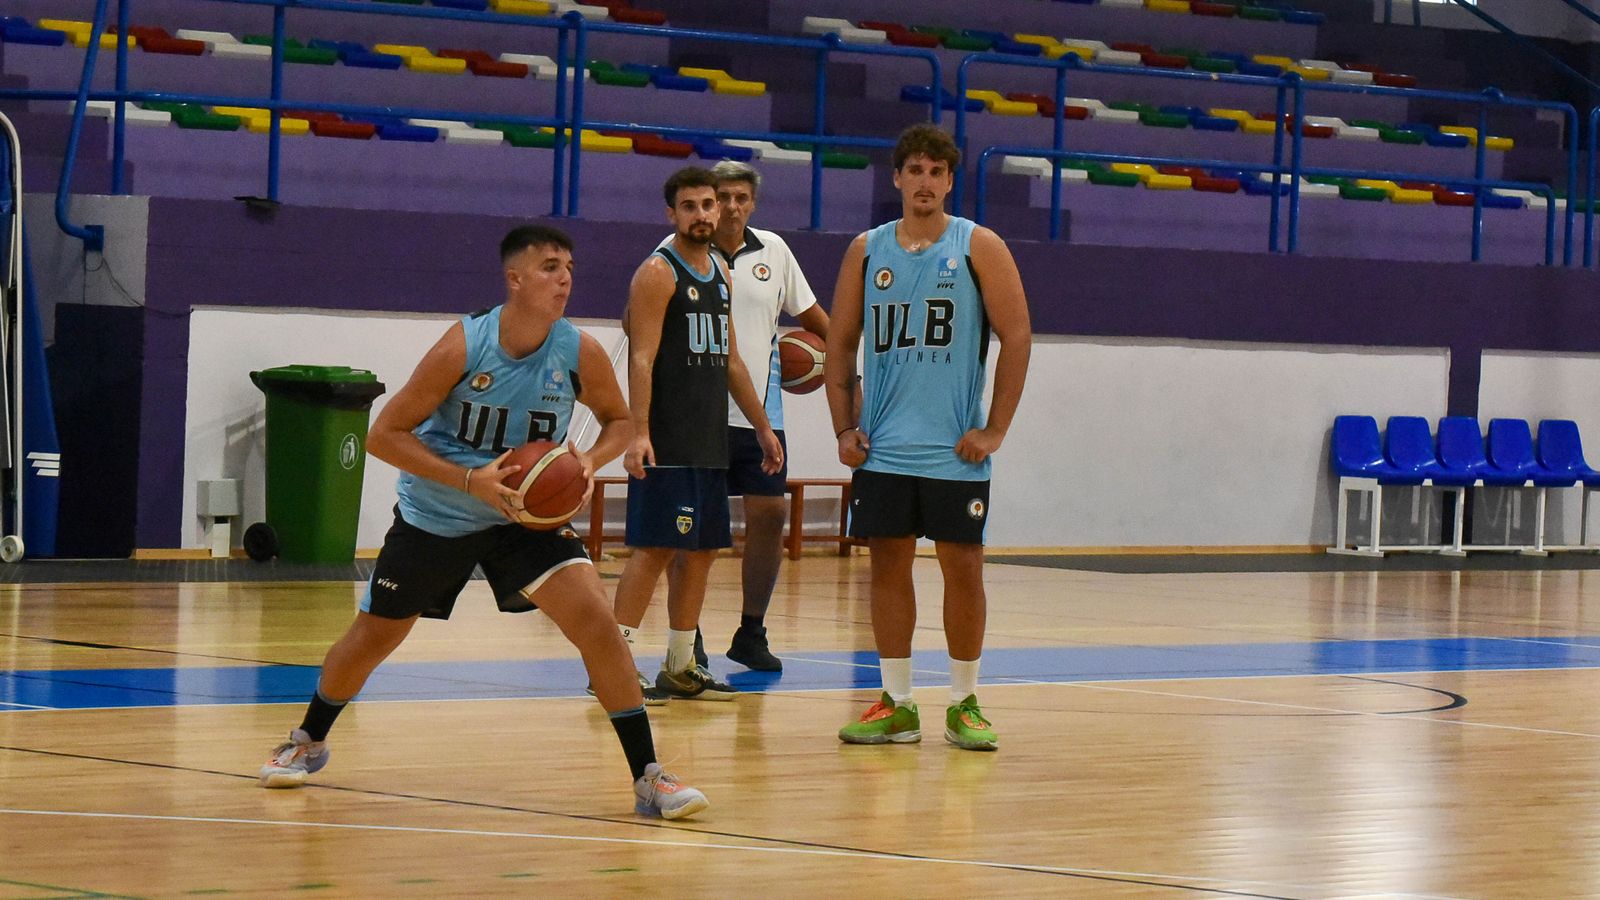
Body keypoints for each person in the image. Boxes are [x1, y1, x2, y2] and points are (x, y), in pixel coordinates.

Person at [258, 224, 709, 820]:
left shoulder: (579, 350)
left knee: (598, 624)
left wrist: (587, 461)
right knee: (374, 637)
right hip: (440, 513)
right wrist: (471, 480)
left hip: (526, 521)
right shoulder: (464, 346)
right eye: (550, 266)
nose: (565, 277)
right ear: (515, 278)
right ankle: (308, 740)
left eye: (569, 266)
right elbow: (384, 436)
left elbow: (619, 422)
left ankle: (649, 776)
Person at [823, 124, 1032, 751]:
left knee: (962, 570)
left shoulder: (978, 245)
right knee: (887, 568)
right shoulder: (867, 248)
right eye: (914, 170)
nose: (925, 182)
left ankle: (964, 702)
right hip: (884, 447)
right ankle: (897, 701)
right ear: (896, 178)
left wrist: (995, 428)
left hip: (953, 451)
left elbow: (1016, 337)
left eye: (937, 172)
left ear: (949, 181)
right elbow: (839, 341)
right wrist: (842, 426)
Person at [610, 166, 783, 701]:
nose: (703, 215)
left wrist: (762, 427)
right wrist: (638, 433)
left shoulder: (721, 275)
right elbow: (640, 355)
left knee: (704, 551)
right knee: (655, 549)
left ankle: (681, 663)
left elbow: (731, 360)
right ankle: (609, 665)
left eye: (708, 205)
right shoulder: (658, 273)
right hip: (668, 435)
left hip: (712, 437)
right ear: (673, 214)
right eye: (690, 206)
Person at [662, 160, 829, 673]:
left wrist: (840, 361)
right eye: (722, 197)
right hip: (696, 415)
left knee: (770, 516)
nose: (730, 206)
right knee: (693, 531)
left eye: (740, 198)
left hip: (761, 412)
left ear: (751, 203)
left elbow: (818, 321)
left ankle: (751, 632)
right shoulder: (676, 253)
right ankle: (686, 638)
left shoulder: (774, 250)